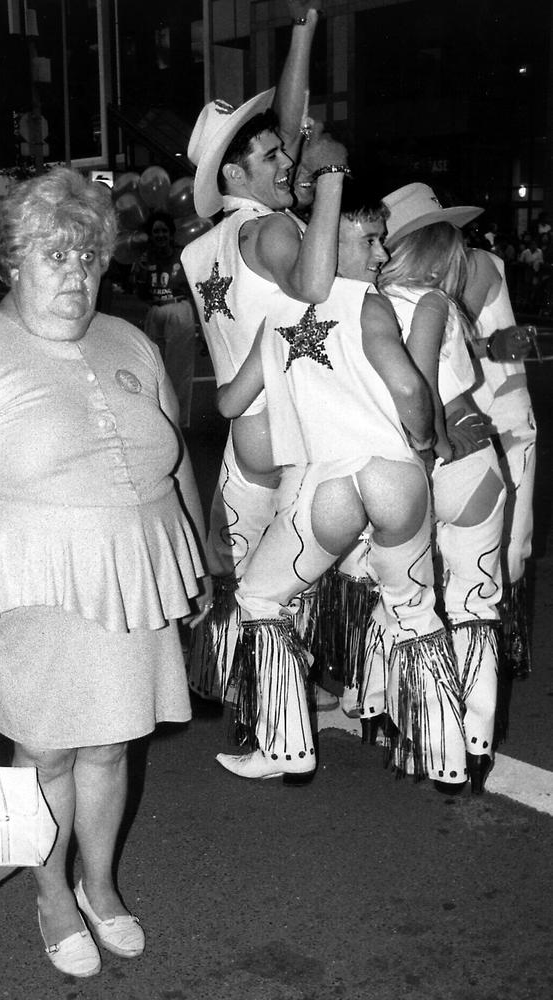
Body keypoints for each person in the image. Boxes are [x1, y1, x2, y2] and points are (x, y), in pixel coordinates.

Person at [0, 167, 211, 979]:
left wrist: (198, 552)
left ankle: (100, 886)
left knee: (111, 747)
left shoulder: (130, 339)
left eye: (86, 256)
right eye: (53, 256)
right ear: (11, 261)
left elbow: (173, 456)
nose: (75, 274)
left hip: (133, 576)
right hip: (28, 585)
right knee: (47, 755)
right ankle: (52, 896)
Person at [214, 181, 468, 789]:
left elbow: (228, 403)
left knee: (260, 601)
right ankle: (447, 755)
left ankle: (286, 746)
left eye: (381, 240)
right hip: (396, 476)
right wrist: (425, 442)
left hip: (328, 484)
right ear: (331, 240)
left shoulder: (277, 316)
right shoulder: (370, 304)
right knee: (414, 611)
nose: (381, 255)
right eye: (370, 239)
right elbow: (409, 388)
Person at [182, 0, 348, 704]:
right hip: (291, 430)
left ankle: (248, 686)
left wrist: (302, 35)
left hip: (240, 438)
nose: (288, 159)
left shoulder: (199, 248)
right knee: (293, 576)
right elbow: (315, 283)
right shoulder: (275, 232)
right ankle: (287, 705)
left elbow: (286, 121)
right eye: (272, 158)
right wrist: (328, 192)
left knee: (246, 573)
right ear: (236, 176)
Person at [378, 183, 507, 794]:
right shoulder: (434, 301)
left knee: (414, 612)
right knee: (476, 606)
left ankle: (434, 744)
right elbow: (429, 378)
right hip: (466, 461)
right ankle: (474, 747)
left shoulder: (367, 304)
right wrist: (438, 441)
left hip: (405, 468)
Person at [463, 242, 537, 684]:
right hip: (472, 414)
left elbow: (447, 337)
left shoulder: (475, 262)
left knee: (505, 541)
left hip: (501, 416)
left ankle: (489, 656)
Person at [132, 210, 197, 428]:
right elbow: (140, 293)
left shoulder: (183, 256)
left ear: (170, 233)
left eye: (164, 231)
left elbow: (195, 290)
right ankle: (159, 417)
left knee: (179, 369)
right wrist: (139, 273)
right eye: (156, 231)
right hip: (155, 312)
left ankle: (178, 421)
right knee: (154, 368)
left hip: (178, 310)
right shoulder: (145, 258)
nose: (160, 235)